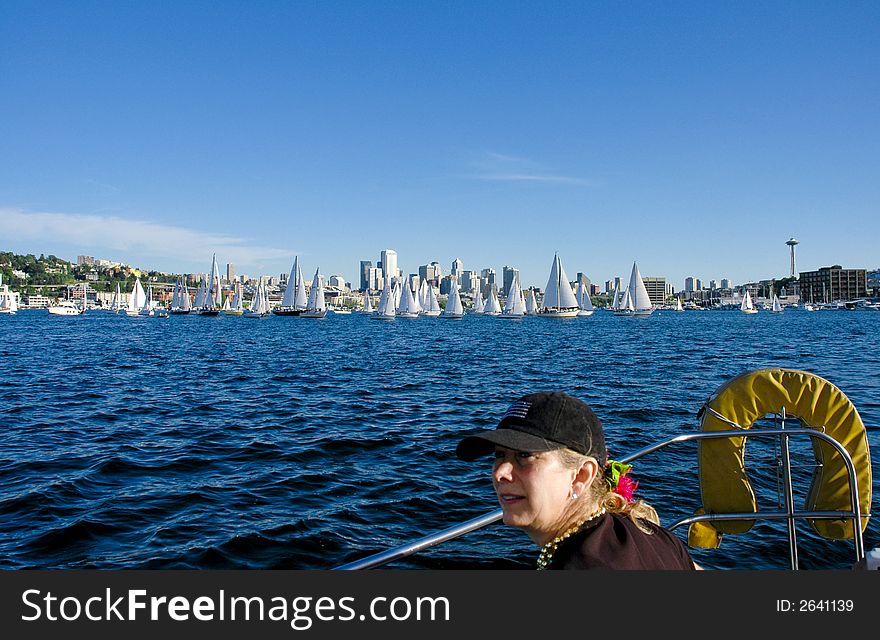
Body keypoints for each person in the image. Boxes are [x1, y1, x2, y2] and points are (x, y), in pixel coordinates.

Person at [456, 391, 698, 570]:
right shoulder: (652, 534)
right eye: (499, 455)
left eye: (524, 456)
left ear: (581, 476)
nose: (500, 473)